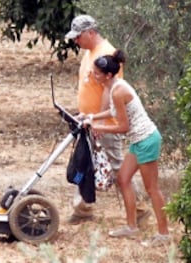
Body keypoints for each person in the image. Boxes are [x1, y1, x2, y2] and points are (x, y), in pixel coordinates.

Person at [65, 15, 150, 225]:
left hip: (102, 124)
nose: (76, 41)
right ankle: (82, 208)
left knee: (115, 165)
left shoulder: (106, 55)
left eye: (79, 37)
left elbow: (109, 92)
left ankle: (139, 208)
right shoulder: (89, 53)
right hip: (90, 121)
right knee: (85, 161)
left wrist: (99, 123)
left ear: (91, 32)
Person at [84, 50, 171, 247]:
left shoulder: (118, 91)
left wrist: (97, 127)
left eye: (97, 73)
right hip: (138, 140)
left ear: (107, 75)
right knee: (123, 180)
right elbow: (114, 112)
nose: (93, 75)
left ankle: (164, 234)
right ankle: (131, 227)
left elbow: (123, 127)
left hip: (146, 140)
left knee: (152, 189)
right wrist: (92, 117)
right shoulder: (115, 86)